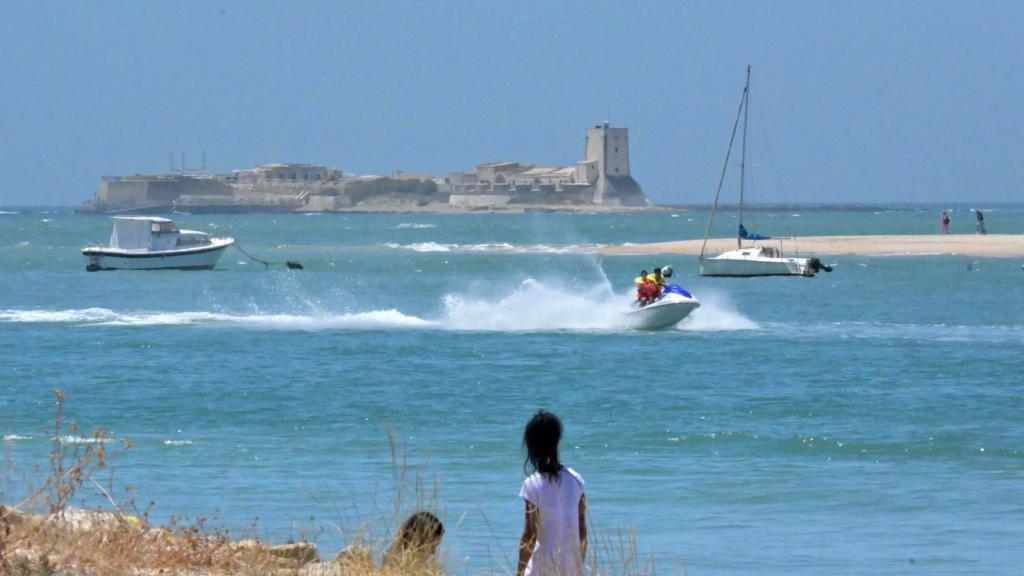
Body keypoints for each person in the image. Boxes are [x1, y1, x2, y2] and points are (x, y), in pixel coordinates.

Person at [517, 410, 586, 576]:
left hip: (542, 568)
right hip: (571, 568)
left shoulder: (532, 485)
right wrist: (578, 565)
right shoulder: (576, 480)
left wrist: (518, 573)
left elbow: (529, 536)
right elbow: (582, 531)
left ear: (531, 445)